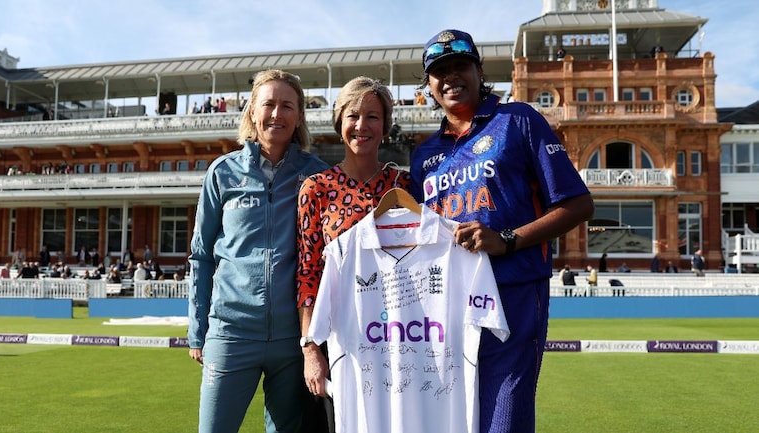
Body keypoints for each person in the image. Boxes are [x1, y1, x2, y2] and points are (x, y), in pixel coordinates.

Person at [409, 29, 594, 433]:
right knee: (450, 419)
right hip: (445, 304)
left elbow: (578, 204)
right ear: (428, 87)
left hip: (514, 292)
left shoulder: (519, 120)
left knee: (503, 421)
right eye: (439, 71)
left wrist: (506, 240)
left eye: (460, 66)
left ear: (479, 70)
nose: (451, 77)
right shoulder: (423, 156)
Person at [188, 69, 328, 433]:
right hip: (231, 333)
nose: (277, 114)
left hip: (292, 340)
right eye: (269, 104)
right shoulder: (222, 172)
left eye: (287, 106)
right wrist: (198, 328)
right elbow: (201, 256)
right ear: (252, 110)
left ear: (299, 117)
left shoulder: (317, 177)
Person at [296, 76, 411, 430]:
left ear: (386, 125)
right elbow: (308, 273)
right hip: (341, 341)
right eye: (353, 116)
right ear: (339, 122)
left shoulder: (403, 186)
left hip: (401, 337)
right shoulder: (316, 189)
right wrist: (311, 349)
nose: (362, 126)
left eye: (373, 117)